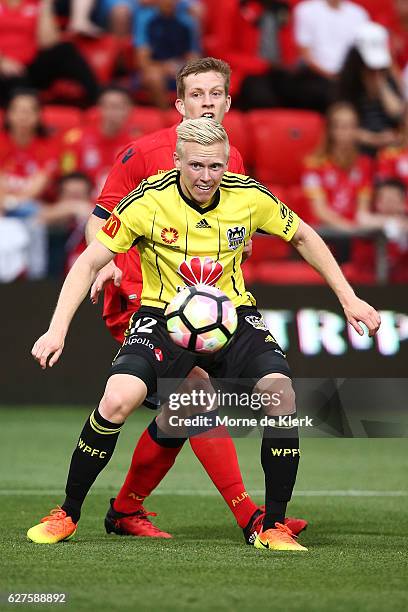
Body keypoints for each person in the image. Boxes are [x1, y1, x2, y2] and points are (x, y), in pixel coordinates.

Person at [27, 117, 381, 551]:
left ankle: (271, 526)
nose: (206, 177)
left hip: (231, 316)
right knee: (118, 398)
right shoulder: (146, 202)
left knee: (281, 395)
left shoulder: (249, 197)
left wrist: (349, 299)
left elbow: (305, 236)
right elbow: (87, 262)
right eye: (196, 166)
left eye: (215, 167)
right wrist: (56, 329)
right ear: (176, 160)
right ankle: (66, 514)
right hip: (162, 316)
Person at [86, 57, 307, 544]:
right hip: (142, 299)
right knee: (199, 398)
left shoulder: (232, 157)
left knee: (185, 409)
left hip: (206, 306)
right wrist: (100, 261)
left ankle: (124, 510)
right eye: (196, 95)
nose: (206, 103)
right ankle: (252, 516)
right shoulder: (143, 152)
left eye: (215, 94)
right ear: (179, 102)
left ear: (227, 102)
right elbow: (100, 219)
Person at [0, 88, 59, 278]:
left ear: (38, 116)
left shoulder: (48, 147)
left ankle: (36, 282)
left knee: (35, 221)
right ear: (8, 114)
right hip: (5, 209)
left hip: (34, 211)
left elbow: (36, 188)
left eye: (29, 111)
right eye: (18, 110)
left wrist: (11, 202)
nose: (23, 116)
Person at [0, 0, 99, 106]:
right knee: (15, 80)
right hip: (4, 70)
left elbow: (48, 42)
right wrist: (2, 61)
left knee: (65, 50)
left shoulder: (34, 3)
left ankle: (98, 98)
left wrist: (45, 4)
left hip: (30, 67)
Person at [336, 22, 405, 157]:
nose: (373, 69)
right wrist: (374, 139)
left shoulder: (385, 78)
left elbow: (398, 114)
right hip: (358, 149)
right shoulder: (347, 83)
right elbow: (340, 124)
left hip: (389, 150)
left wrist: (381, 83)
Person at [301, 102, 373, 232]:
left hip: (354, 235)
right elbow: (320, 211)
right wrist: (349, 228)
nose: (348, 132)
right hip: (324, 234)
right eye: (342, 127)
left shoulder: (364, 164)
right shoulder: (314, 165)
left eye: (353, 126)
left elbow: (362, 211)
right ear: (330, 130)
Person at [60, 86, 135, 197]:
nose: (113, 112)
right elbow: (66, 176)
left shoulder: (137, 144)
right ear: (99, 108)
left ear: (129, 110)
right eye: (109, 107)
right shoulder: (75, 139)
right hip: (82, 204)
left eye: (119, 107)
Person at [134, 0, 200, 108]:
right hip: (154, 68)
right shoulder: (145, 19)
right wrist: (165, 68)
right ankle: (166, 116)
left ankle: (192, 118)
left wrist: (181, 69)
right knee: (154, 78)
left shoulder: (188, 21)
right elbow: (142, 61)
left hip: (180, 68)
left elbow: (193, 56)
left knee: (199, 77)